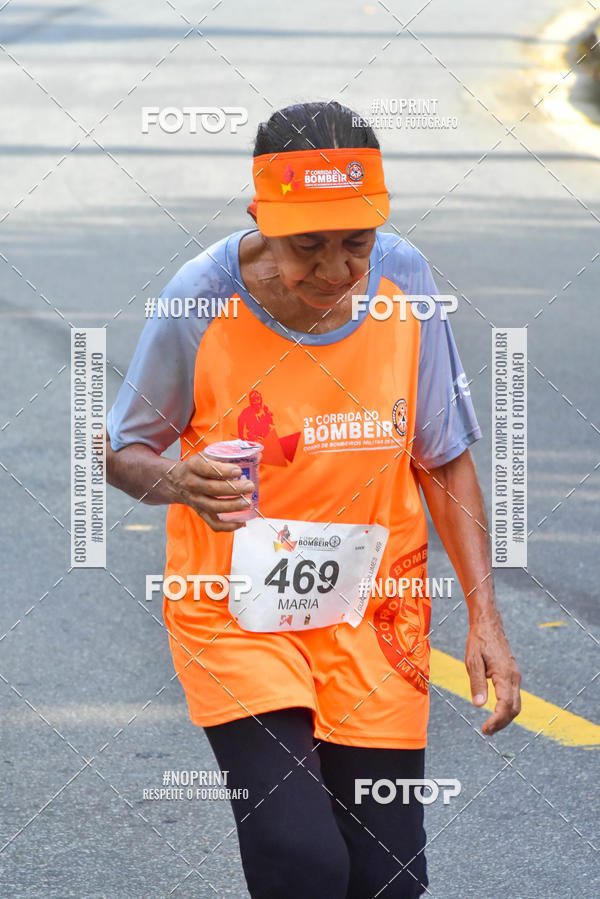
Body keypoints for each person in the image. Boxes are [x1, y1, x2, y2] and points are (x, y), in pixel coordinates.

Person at [105, 100, 522, 898]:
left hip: (377, 617)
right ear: (262, 217)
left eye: (354, 242)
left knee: (387, 880)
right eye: (309, 245)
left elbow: (444, 459)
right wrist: (179, 483)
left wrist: (485, 617)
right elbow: (123, 450)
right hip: (237, 617)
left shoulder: (406, 278)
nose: (335, 270)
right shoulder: (199, 299)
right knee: (303, 860)